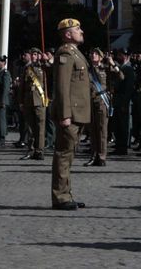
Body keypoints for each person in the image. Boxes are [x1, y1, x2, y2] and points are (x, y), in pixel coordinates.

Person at [49, 17, 91, 211]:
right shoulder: (65, 53)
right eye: (78, 29)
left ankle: (66, 193)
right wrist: (65, 114)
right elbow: (63, 87)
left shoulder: (75, 53)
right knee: (64, 155)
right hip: (71, 113)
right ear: (68, 34)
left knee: (69, 155)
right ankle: (60, 197)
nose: (81, 31)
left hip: (78, 113)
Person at [85, 47, 110, 166]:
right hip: (90, 101)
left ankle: (102, 157)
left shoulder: (105, 68)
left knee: (102, 130)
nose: (93, 55)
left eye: (95, 53)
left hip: (101, 101)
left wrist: (112, 64)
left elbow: (120, 76)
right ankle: (93, 156)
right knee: (92, 131)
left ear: (100, 57)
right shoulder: (87, 70)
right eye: (92, 53)